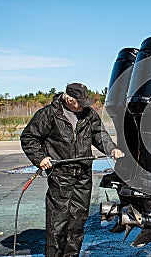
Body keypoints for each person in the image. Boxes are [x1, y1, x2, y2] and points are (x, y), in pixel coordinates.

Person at [20, 83, 124, 256]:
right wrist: (40, 158)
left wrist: (111, 148)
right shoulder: (49, 114)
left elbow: (99, 135)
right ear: (69, 99)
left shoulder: (89, 114)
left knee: (77, 221)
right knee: (58, 222)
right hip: (61, 175)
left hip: (83, 175)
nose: (84, 105)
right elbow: (29, 137)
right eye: (80, 102)